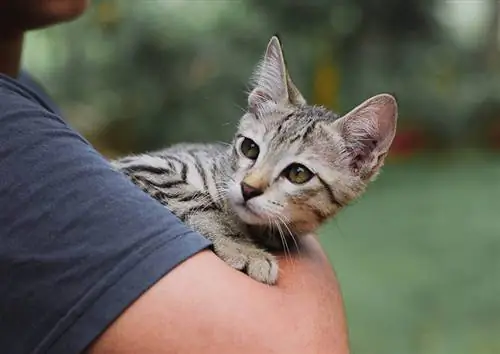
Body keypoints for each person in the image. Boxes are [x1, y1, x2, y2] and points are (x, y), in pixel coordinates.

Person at [0, 1, 350, 353]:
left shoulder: (22, 88)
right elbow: (134, 176)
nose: (251, 183)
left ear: (360, 162)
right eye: (250, 150)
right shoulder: (11, 133)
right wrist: (227, 232)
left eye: (296, 171)